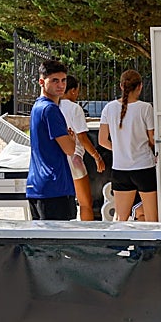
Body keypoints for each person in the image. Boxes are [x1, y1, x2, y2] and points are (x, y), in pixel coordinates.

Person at [98, 69, 158, 221]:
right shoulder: (145, 108)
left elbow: (102, 140)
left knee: (120, 219)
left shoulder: (109, 108)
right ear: (140, 87)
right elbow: (152, 138)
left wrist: (118, 149)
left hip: (120, 168)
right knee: (152, 218)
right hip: (144, 167)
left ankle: (118, 245)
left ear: (121, 86)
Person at [26, 58, 78, 220]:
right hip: (55, 187)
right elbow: (69, 149)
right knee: (60, 243)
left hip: (37, 186)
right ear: (42, 81)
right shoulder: (50, 109)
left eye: (63, 80)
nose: (61, 85)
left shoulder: (37, 107)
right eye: (55, 80)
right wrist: (72, 138)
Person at [59, 74, 106, 221]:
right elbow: (82, 138)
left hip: (58, 158)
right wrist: (96, 156)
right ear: (72, 91)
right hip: (75, 158)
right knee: (85, 203)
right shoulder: (75, 109)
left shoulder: (53, 106)